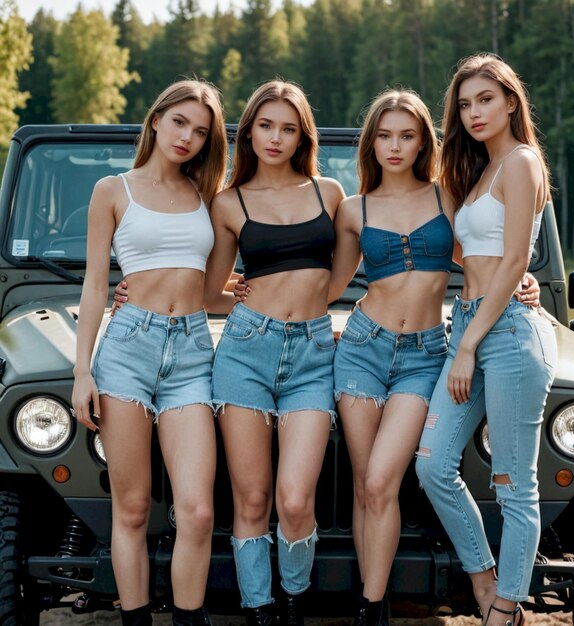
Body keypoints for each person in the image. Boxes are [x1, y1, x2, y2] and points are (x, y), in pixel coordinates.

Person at [72, 79, 231, 626]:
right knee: (133, 507)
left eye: (201, 131)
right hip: (126, 352)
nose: (188, 136)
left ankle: (189, 618)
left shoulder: (206, 195)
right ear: (157, 119)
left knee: (197, 510)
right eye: (180, 121)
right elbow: (95, 286)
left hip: (191, 351)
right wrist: (81, 373)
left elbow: (215, 289)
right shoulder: (112, 190)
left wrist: (283, 307)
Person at [415, 53, 557, 626]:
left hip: (506, 337)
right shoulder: (479, 174)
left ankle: (505, 608)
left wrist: (470, 343)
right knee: (432, 466)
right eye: (466, 104)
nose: (475, 113)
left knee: (514, 486)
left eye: (486, 100)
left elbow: (517, 254)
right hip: (471, 323)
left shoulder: (521, 161)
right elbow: (470, 253)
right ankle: (483, 577)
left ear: (511, 102)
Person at [202, 80, 345, 626]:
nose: (276, 138)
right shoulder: (228, 202)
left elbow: (358, 267)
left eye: (288, 128)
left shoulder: (328, 193)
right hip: (244, 351)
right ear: (249, 131)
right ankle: (262, 612)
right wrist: (131, 293)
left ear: (301, 135)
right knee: (254, 499)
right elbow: (207, 291)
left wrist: (309, 310)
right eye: (266, 125)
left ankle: (293, 598)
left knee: (293, 500)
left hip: (313, 352)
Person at [326, 89, 454, 626]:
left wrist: (522, 284)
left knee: (381, 481)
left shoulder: (451, 198)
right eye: (384, 135)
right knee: (364, 483)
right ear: (370, 142)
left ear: (424, 140)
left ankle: (370, 607)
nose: (394, 146)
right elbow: (329, 284)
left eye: (406, 135)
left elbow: (486, 259)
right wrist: (242, 294)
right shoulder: (354, 210)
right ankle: (370, 597)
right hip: (360, 349)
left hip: (424, 357)